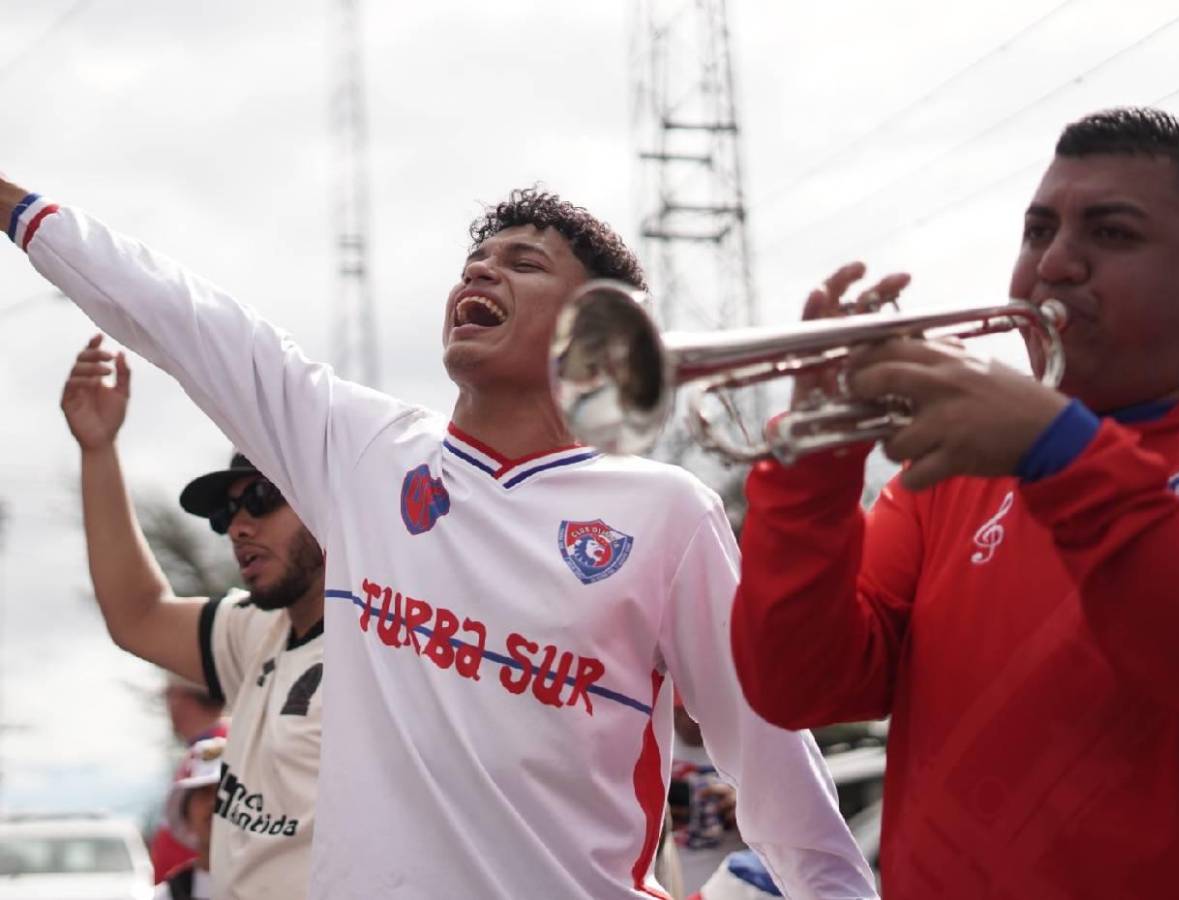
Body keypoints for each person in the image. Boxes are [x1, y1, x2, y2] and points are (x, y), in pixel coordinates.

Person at [11, 184, 877, 898]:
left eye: (523, 262)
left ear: (598, 325)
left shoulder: (665, 514)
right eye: (478, 260)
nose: (485, 268)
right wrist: (15, 207)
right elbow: (182, 315)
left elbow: (773, 764)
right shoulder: (360, 450)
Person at [730, 106, 1179, 898]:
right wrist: (815, 460)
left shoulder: (1020, 446)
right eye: (1037, 230)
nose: (1053, 265)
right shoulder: (963, 462)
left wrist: (1063, 455)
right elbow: (797, 685)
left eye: (1111, 233)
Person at [59, 337, 325, 900]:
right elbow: (137, 614)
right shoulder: (257, 629)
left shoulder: (398, 643)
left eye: (261, 497)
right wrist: (98, 449)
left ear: (330, 498)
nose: (238, 526)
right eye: (227, 513)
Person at [149, 674, 228, 883]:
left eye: (168, 695)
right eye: (203, 792)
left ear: (183, 697)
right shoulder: (197, 752)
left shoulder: (230, 746)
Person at [155, 736, 227, 900]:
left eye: (224, 790)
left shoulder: (279, 889)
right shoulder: (164, 896)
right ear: (185, 813)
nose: (213, 802)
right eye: (203, 791)